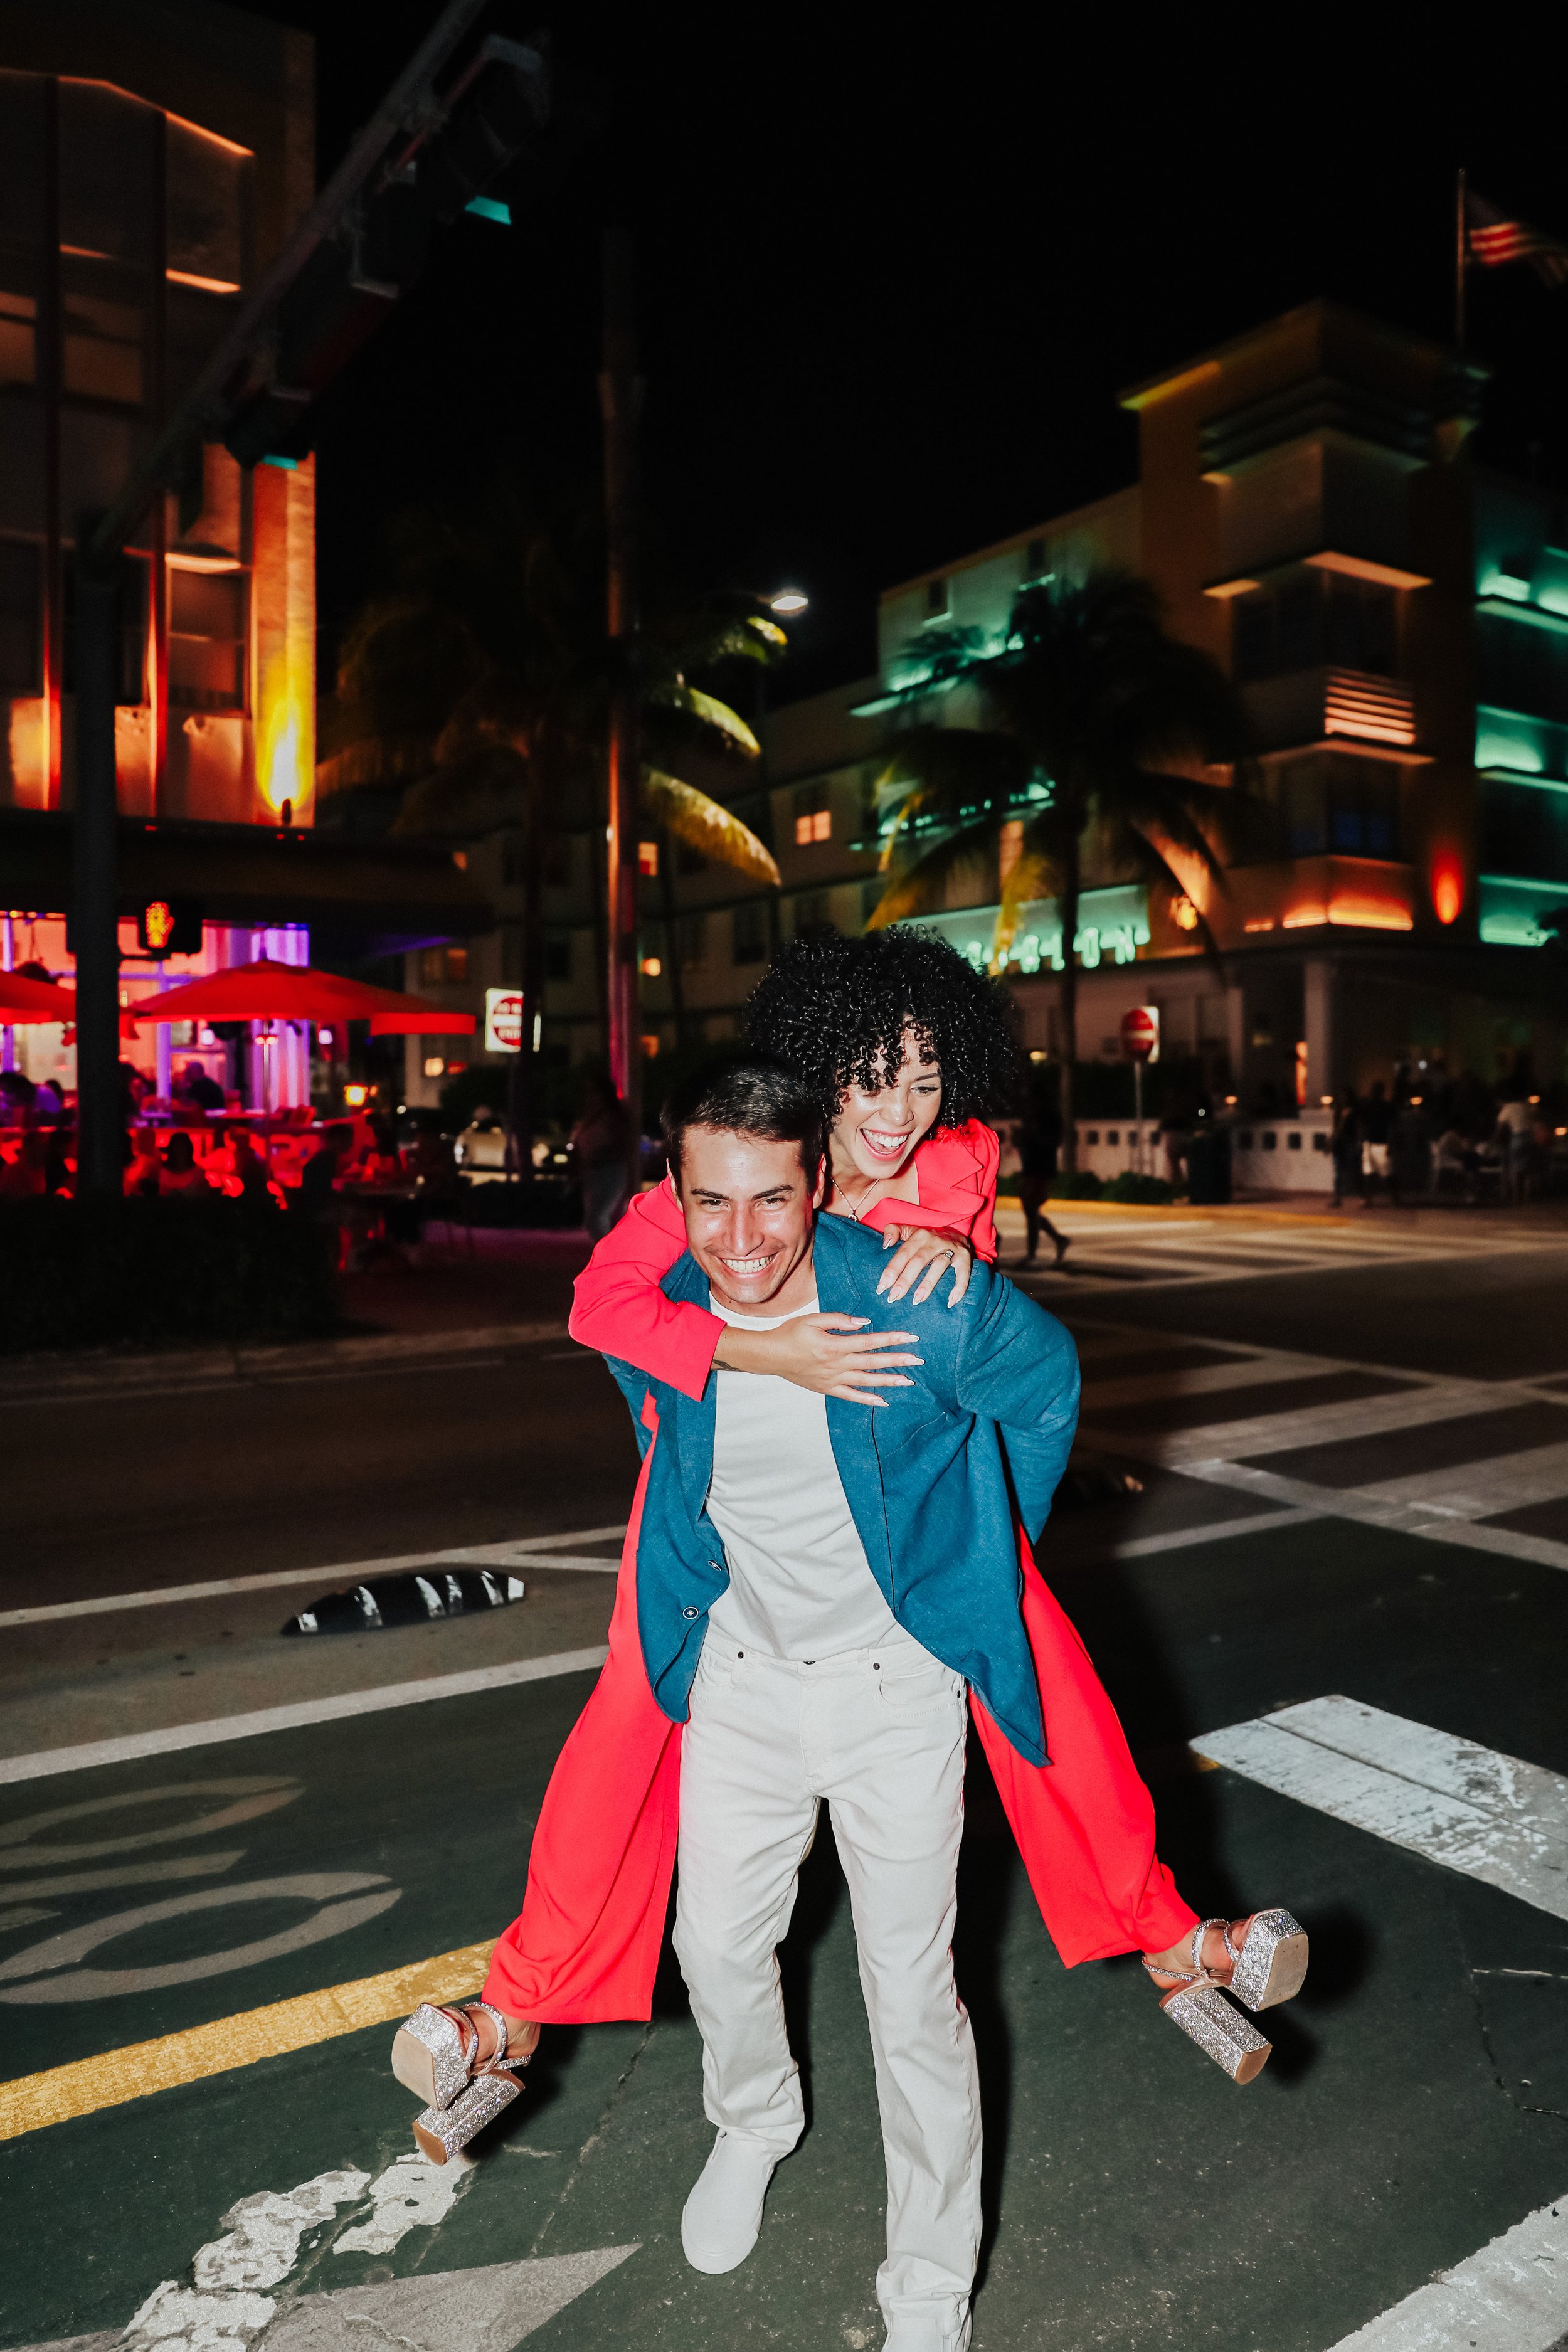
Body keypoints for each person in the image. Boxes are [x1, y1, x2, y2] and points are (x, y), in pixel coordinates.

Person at [389, 1061, 1308, 2351]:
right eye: (711, 1205)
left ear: (817, 1183)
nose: (743, 1240)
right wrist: (732, 1351)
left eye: (771, 1202)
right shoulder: (666, 1304)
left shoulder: (919, 1298)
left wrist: (982, 1555)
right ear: (675, 1197)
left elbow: (1044, 1390)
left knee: (909, 1991)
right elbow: (618, 1345)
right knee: (712, 1948)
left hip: (894, 1699)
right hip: (744, 1693)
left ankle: (928, 2278)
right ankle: (753, 2119)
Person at [570, 930, 1012, 1404]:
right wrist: (770, 1354)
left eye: (924, 1088)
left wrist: (957, 1246)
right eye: (871, 1084)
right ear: (820, 1068)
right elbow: (598, 1306)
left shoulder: (967, 1155)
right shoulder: (754, 1159)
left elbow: (974, 1325)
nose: (901, 1114)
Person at [1014, 1066, 1069, 1266]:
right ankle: (1058, 1240)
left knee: (1031, 1211)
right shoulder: (1031, 1115)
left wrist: (1033, 1135)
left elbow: (1054, 1140)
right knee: (1031, 1211)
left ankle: (1032, 1255)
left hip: (1042, 1168)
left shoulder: (1048, 1115)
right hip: (1031, 1168)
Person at [570, 1072, 632, 1241]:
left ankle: (609, 1257)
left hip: (609, 1171)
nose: (590, 1098)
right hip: (593, 1172)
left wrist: (597, 1156)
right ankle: (607, 1256)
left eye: (594, 1093)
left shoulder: (611, 1118)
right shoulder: (589, 1119)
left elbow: (620, 1146)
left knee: (597, 1219)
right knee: (595, 1219)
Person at [1330, 1090, 1361, 1208]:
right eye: (1341, 1098)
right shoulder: (1338, 1112)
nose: (1343, 1100)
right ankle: (1338, 1198)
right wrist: (1332, 1143)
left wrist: (1359, 1142)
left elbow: (1358, 1127)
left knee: (1354, 1170)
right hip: (1340, 1144)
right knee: (1339, 1172)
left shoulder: (1354, 1112)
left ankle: (1362, 1196)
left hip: (1350, 1143)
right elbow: (1336, 1128)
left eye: (1345, 1098)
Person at [157, 1131, 211, 1197]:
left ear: (189, 1150)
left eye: (183, 1148)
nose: (180, 1151)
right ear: (171, 1151)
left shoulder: (198, 1174)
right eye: (177, 1148)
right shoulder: (163, 1174)